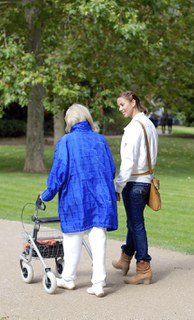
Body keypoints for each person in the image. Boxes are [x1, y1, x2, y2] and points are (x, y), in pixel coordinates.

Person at [39, 103, 118, 297]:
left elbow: (59, 173)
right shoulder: (100, 140)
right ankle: (98, 283)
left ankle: (68, 278)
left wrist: (47, 194)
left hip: (75, 195)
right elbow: (112, 169)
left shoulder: (66, 142)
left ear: (69, 120)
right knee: (98, 236)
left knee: (72, 235)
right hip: (101, 195)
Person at [112, 91, 158, 285]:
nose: (120, 109)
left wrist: (118, 186)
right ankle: (125, 258)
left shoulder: (133, 128)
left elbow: (128, 162)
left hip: (134, 182)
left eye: (122, 104)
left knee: (136, 224)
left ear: (133, 102)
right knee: (134, 222)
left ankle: (143, 267)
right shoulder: (149, 124)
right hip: (147, 180)